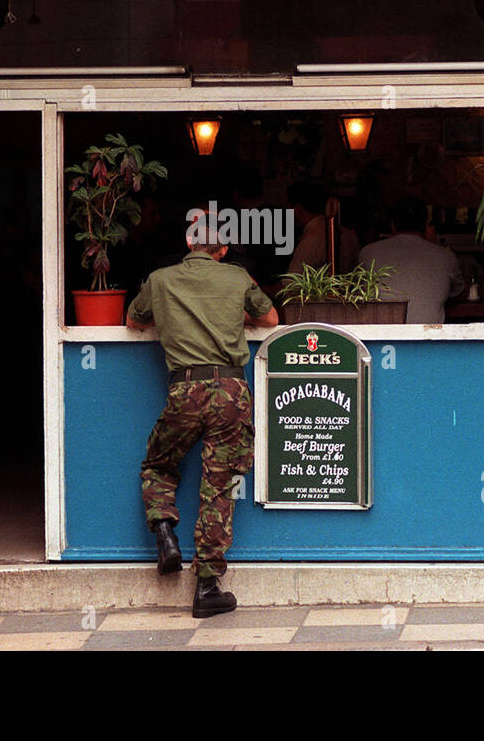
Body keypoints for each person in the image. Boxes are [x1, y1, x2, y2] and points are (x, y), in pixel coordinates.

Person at [126, 224, 279, 618]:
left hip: (185, 390)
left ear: (188, 242)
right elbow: (271, 320)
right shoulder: (237, 277)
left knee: (159, 465)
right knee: (218, 486)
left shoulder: (160, 279)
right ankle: (207, 587)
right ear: (224, 248)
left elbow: (133, 321)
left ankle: (165, 534)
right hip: (230, 391)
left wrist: (174, 313)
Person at [358, 196, 464, 324]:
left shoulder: (369, 253)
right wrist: (434, 245)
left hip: (382, 340)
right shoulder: (446, 256)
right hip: (428, 340)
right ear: (426, 226)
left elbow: (357, 293)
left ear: (392, 225)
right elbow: (457, 292)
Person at [286, 181, 359, 275]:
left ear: (298, 208)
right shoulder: (350, 236)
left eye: (288, 206)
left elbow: (292, 284)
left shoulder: (311, 240)